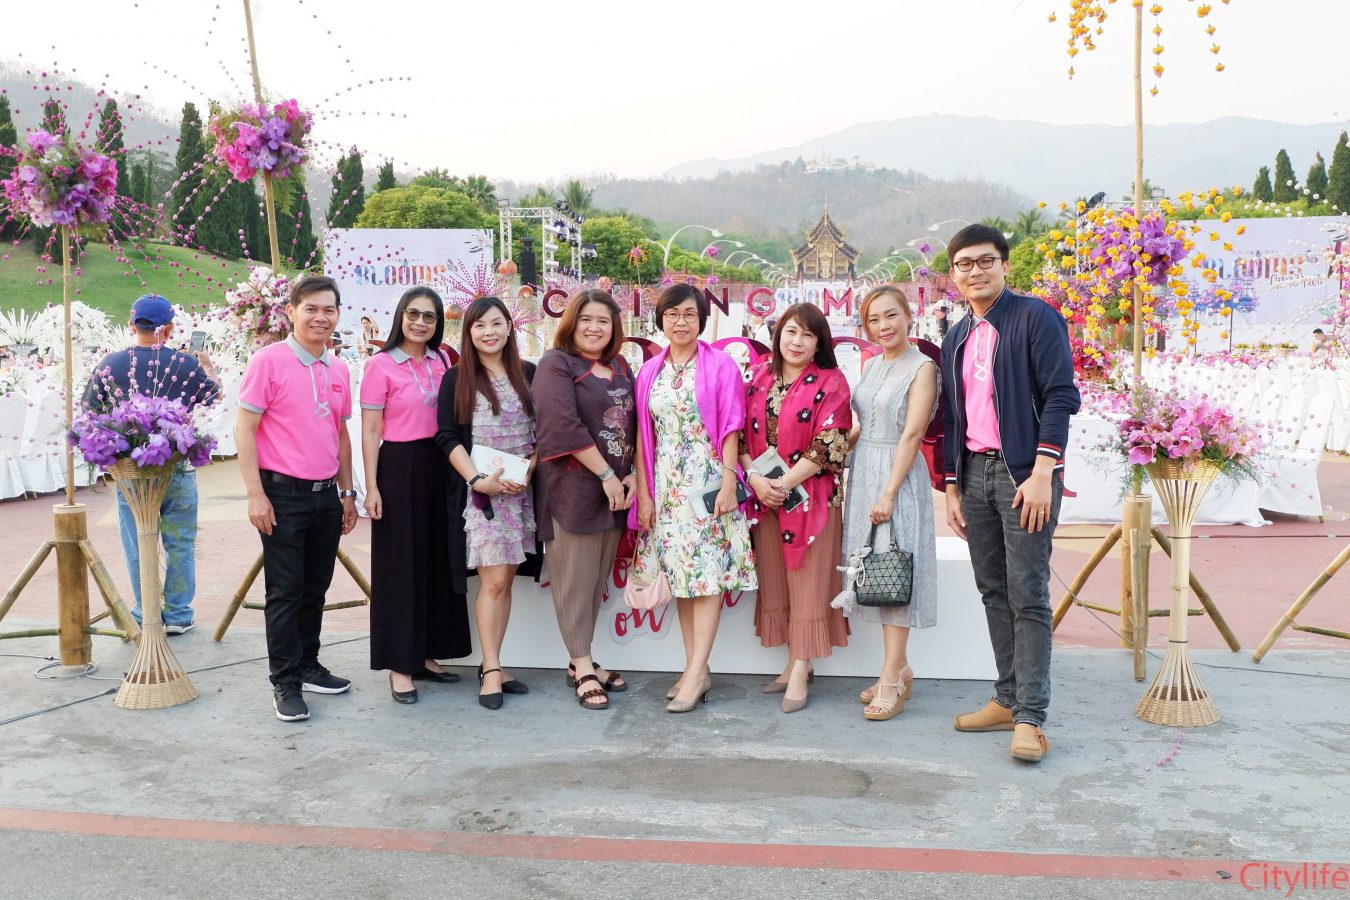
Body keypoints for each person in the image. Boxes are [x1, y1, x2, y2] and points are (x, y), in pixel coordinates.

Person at [940, 224, 1081, 763]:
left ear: (1004, 265)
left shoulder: (1035, 317)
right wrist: (952, 484)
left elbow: (1060, 395)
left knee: (1027, 593)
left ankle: (1030, 717)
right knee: (993, 590)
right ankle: (1006, 697)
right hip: (974, 474)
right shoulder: (957, 336)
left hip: (1025, 475)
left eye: (985, 261)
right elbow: (952, 417)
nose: (975, 271)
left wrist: (1044, 470)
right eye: (965, 264)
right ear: (953, 274)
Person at [236, 275, 360, 722]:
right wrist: (256, 494)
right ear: (291, 311)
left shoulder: (338, 368)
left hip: (326, 495)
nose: (320, 317)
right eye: (311, 308)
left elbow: (340, 433)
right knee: (285, 592)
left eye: (329, 310)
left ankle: (308, 664)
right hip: (282, 495)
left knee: (315, 588)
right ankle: (285, 681)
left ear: (338, 315)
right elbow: (245, 428)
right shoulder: (268, 361)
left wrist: (347, 493)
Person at [630, 284, 756, 713]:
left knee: (707, 578)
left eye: (688, 314)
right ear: (661, 320)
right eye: (672, 315)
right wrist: (645, 493)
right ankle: (693, 669)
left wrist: (728, 482)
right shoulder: (650, 370)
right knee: (683, 581)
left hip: (707, 484)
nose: (680, 322)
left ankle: (698, 671)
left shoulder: (721, 365)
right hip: (666, 486)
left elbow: (733, 427)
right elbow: (643, 436)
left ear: (701, 319)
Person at [738, 303, 852, 713]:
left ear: (819, 342)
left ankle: (802, 668)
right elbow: (737, 435)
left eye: (807, 334)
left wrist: (784, 483)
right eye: (791, 331)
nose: (797, 341)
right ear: (777, 334)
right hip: (764, 498)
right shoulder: (758, 377)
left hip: (812, 498)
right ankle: (792, 661)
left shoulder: (832, 381)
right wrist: (755, 479)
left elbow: (829, 443)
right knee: (778, 580)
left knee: (808, 582)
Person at [84, 294, 220, 634]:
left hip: (131, 470)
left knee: (136, 542)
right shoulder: (185, 364)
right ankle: (178, 613)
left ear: (132, 325)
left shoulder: (110, 363)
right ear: (169, 328)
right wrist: (207, 367)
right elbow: (213, 397)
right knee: (180, 541)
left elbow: (90, 412)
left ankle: (145, 610)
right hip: (176, 465)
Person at [361, 286, 468, 706]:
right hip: (399, 467)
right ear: (401, 317)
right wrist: (372, 486)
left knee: (437, 560)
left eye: (429, 316)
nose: (421, 322)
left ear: (438, 323)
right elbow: (371, 429)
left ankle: (426, 654)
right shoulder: (380, 364)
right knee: (400, 565)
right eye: (414, 314)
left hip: (441, 464)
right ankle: (400, 665)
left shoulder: (442, 361)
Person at [532, 288, 636, 711]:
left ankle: (582, 661)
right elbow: (562, 425)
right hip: (573, 489)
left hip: (617, 492)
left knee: (595, 582)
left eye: (603, 321)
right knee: (574, 581)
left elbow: (637, 425)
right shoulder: (556, 364)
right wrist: (607, 474)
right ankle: (581, 664)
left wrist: (631, 475)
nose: (594, 328)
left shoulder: (621, 366)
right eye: (586, 319)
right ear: (571, 323)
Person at [842, 286, 939, 721]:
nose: (884, 326)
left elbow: (912, 433)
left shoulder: (923, 367)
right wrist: (837, 452)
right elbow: (865, 423)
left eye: (891, 315)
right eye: (874, 319)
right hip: (865, 469)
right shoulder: (872, 364)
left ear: (908, 316)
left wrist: (888, 492)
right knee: (876, 571)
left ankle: (889, 679)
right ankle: (899, 668)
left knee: (894, 567)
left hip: (897, 477)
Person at [435, 296, 538, 710]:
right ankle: (491, 667)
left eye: (496, 323)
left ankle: (494, 663)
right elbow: (447, 437)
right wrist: (479, 481)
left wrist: (529, 470)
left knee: (506, 580)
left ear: (510, 327)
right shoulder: (457, 378)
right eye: (479, 325)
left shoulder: (528, 373)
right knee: (493, 581)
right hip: (483, 498)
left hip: (521, 493)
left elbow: (545, 431)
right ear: (469, 332)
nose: (488, 332)